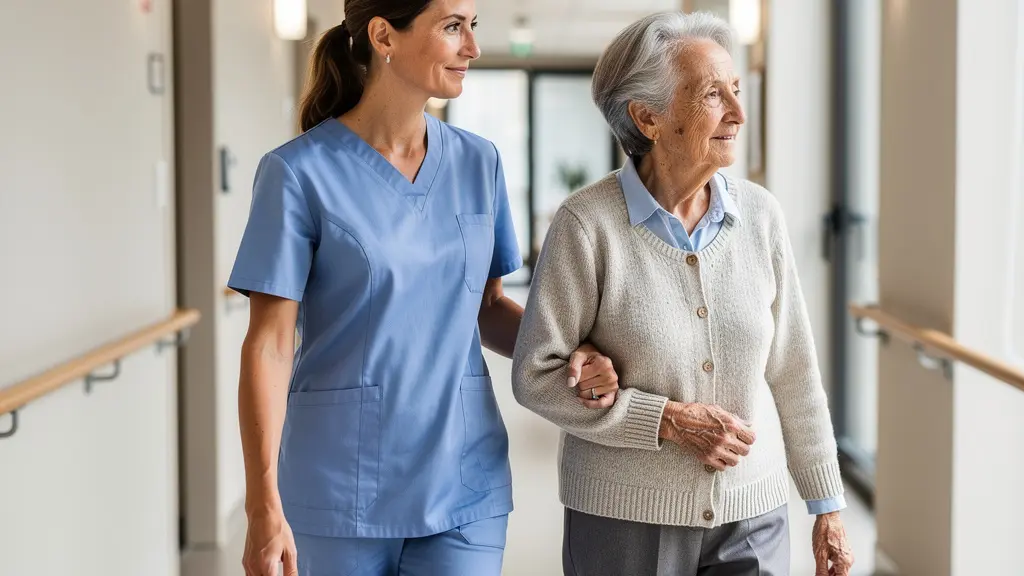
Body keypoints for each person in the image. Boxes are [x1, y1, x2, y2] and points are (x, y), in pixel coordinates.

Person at [227, 1, 620, 575]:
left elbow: (485, 308)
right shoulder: (297, 174)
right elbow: (269, 345)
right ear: (384, 35)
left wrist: (569, 352)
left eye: (474, 26)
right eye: (452, 27)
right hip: (339, 488)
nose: (473, 48)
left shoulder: (477, 162)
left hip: (463, 479)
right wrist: (262, 503)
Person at [511, 11, 855, 576]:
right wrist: (664, 419)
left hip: (754, 511)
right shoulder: (585, 224)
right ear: (648, 117)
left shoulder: (761, 216)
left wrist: (827, 505)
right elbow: (535, 375)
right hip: (624, 518)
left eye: (736, 91)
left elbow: (794, 368)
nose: (739, 114)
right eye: (713, 95)